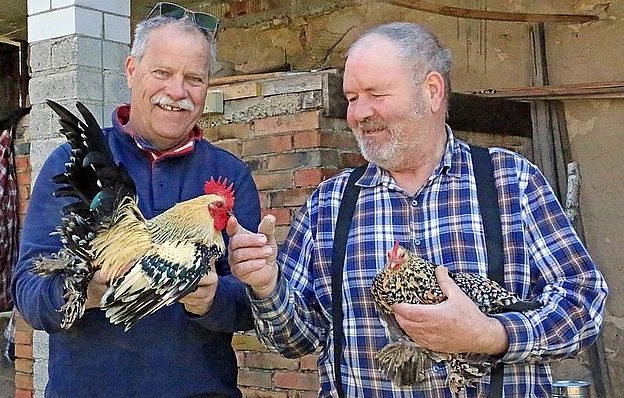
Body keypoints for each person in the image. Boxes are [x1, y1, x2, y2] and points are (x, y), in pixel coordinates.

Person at [226, 22, 608, 397]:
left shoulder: (510, 180)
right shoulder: (329, 204)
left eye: (376, 93)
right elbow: (295, 341)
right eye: (353, 98)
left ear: (431, 91)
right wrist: (266, 285)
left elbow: (583, 301)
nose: (359, 113)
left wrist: (491, 335)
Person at [12, 4, 261, 397]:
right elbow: (29, 290)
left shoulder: (229, 176)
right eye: (162, 72)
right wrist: (87, 291)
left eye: (193, 78)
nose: (177, 92)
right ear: (131, 70)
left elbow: (253, 305)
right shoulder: (73, 163)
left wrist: (212, 300)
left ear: (207, 86)